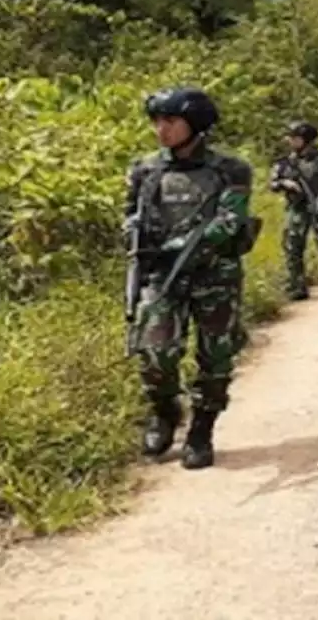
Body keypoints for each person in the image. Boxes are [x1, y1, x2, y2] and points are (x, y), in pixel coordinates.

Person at [123, 87, 256, 470]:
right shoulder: (145, 169)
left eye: (170, 121)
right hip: (161, 274)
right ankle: (165, 412)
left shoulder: (229, 169)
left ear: (195, 125)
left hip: (215, 274)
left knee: (216, 356)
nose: (160, 130)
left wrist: (185, 244)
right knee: (153, 351)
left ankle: (202, 427)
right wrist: (134, 232)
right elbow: (130, 212)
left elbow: (230, 220)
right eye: (156, 122)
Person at [268, 120, 318, 299]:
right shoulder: (285, 162)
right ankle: (297, 286)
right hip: (297, 209)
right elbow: (272, 184)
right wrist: (284, 183)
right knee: (292, 247)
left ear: (305, 139)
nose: (290, 141)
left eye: (294, 137)